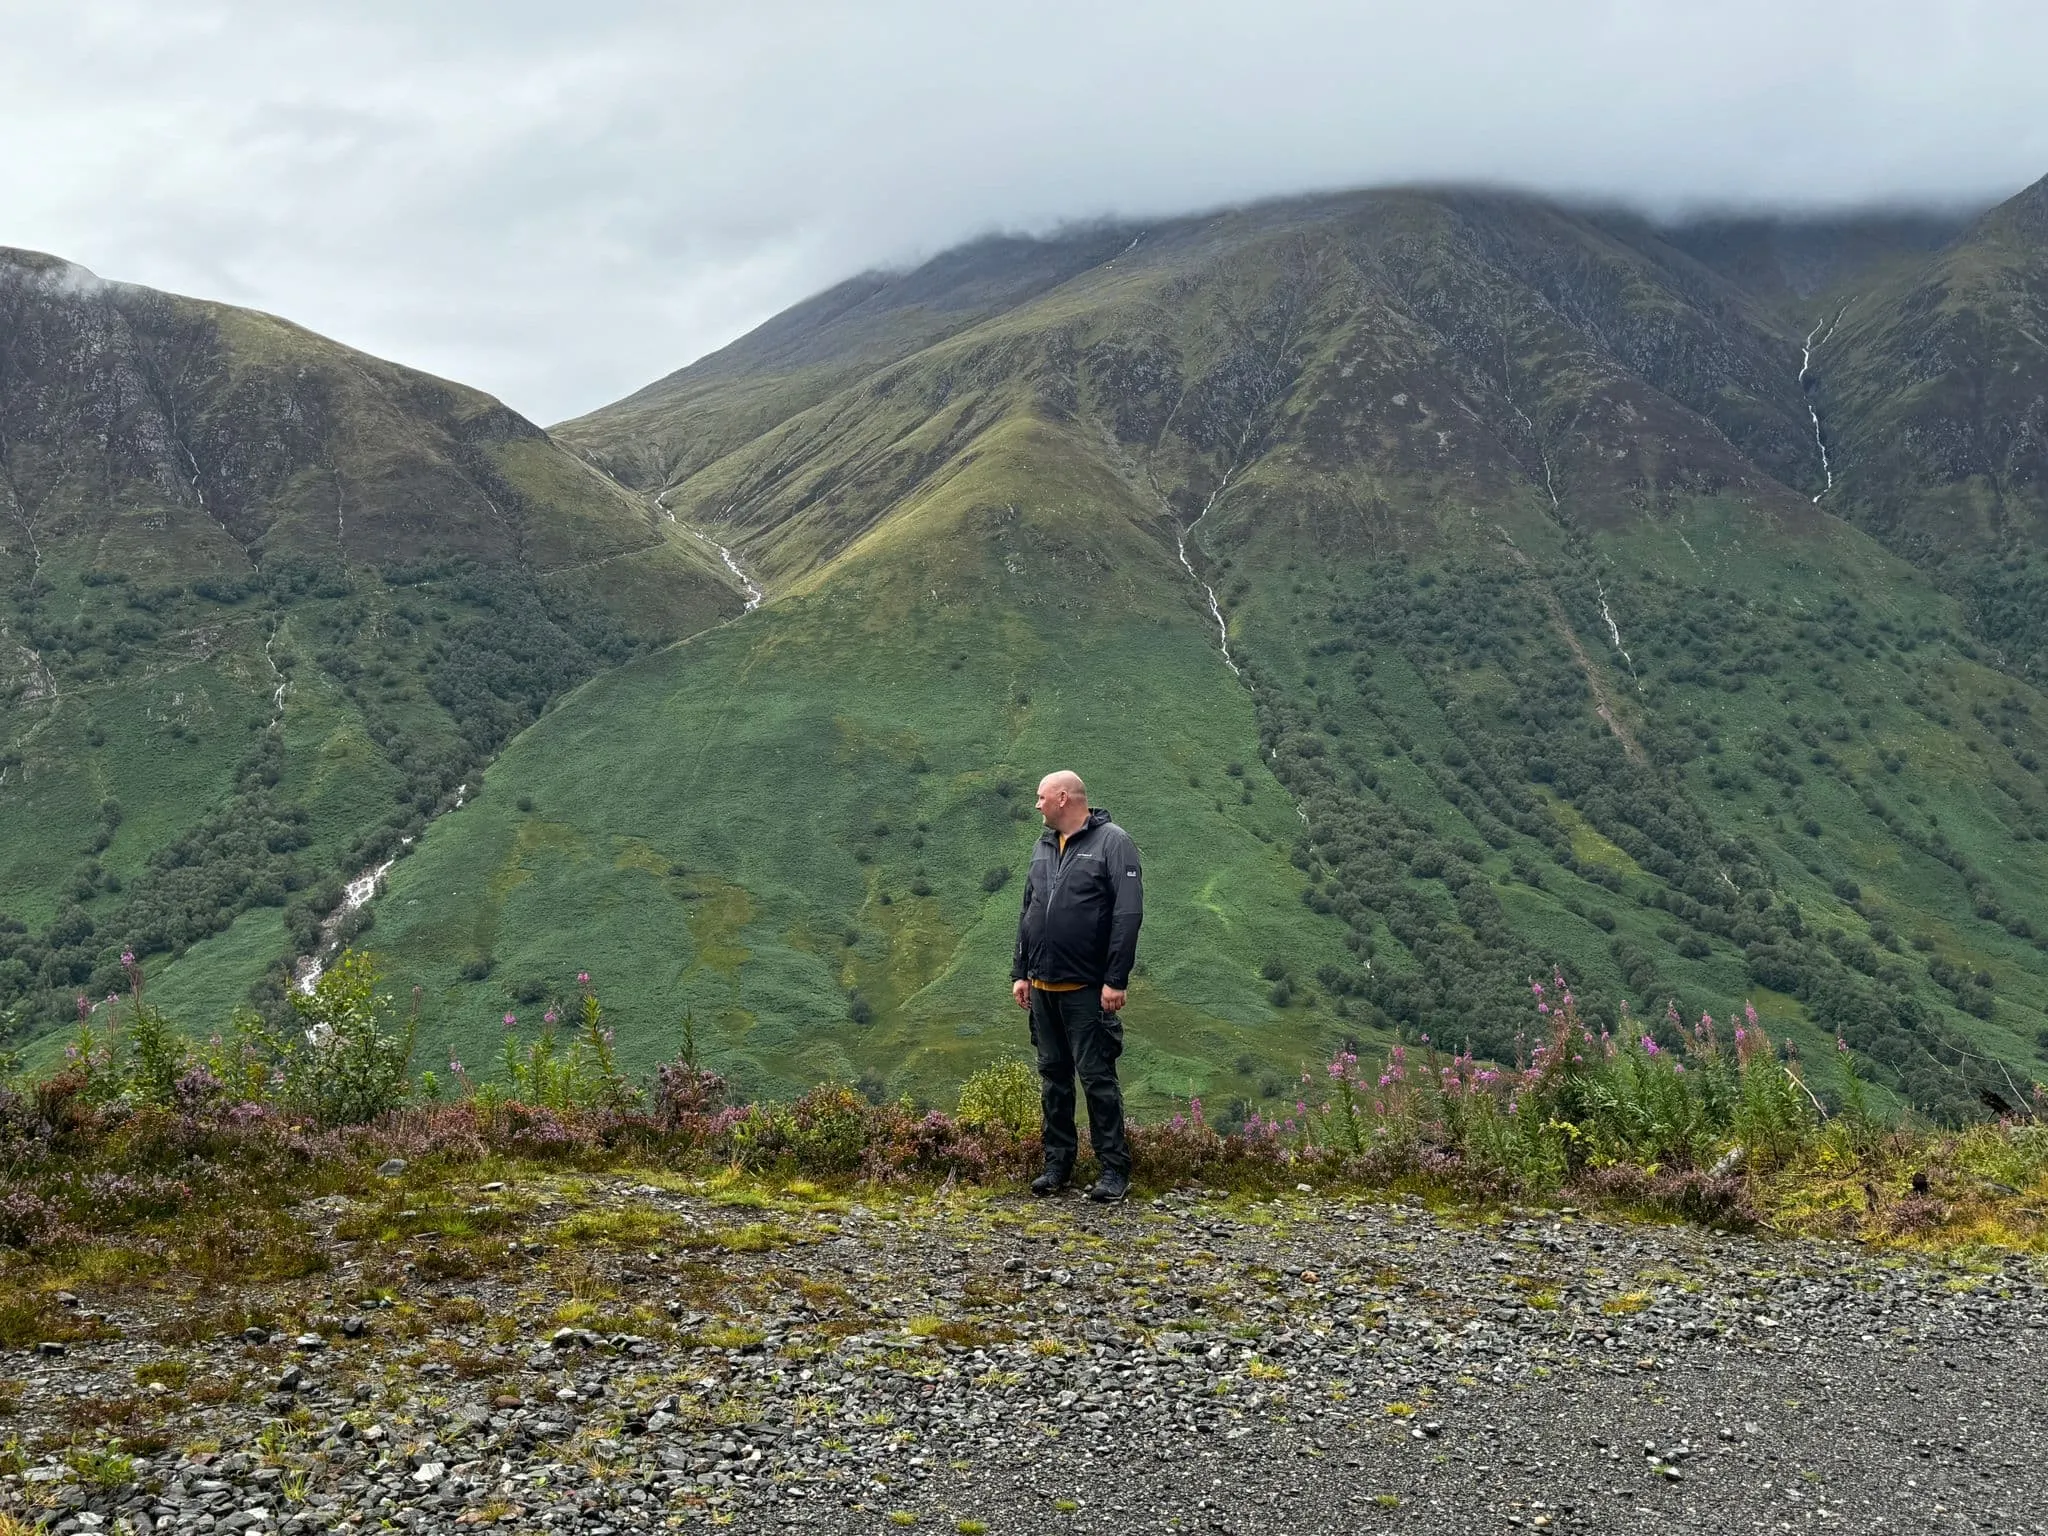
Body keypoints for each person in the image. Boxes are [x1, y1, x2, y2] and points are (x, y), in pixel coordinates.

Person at [1010, 770, 1143, 1203]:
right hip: (1043, 987)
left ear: (1063, 798)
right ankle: (1057, 1166)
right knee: (1053, 1077)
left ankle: (1113, 1170)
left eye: (1041, 797)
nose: (1036, 805)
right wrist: (1020, 972)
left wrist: (1115, 980)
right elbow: (1028, 911)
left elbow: (1127, 915)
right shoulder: (1043, 846)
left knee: (1097, 1077)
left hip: (1088, 989)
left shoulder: (1113, 842)